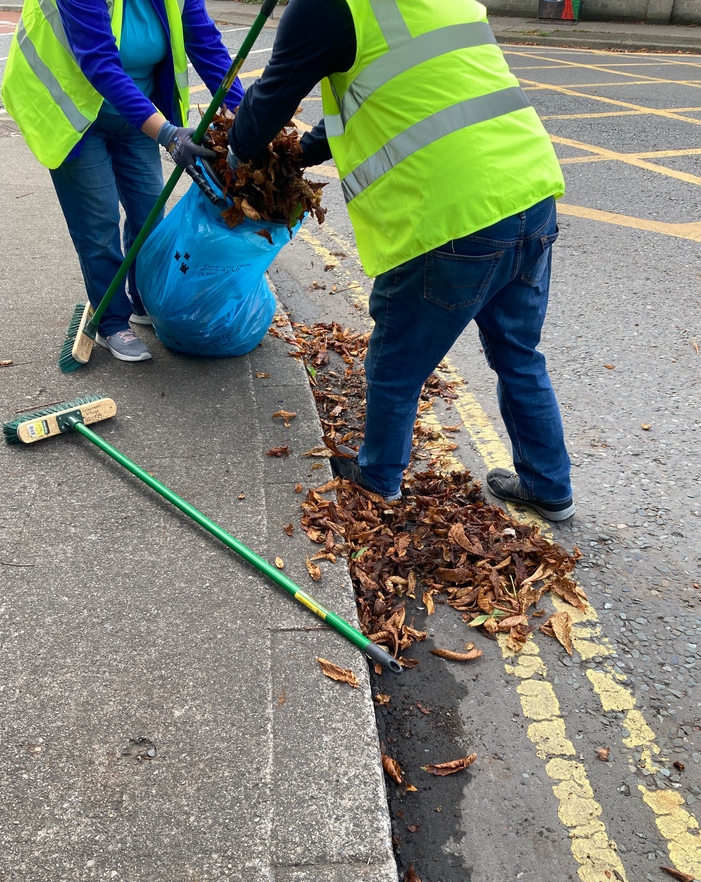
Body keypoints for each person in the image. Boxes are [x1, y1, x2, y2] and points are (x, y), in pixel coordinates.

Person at [227, 0, 574, 521]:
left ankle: (378, 479)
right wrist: (306, 150)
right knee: (518, 353)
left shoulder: (325, 8)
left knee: (395, 365)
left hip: (452, 216)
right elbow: (399, 94)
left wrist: (238, 152)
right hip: (529, 192)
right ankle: (549, 484)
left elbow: (266, 106)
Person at [2, 0, 243, 362]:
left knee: (149, 213)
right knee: (97, 222)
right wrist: (168, 134)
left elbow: (206, 44)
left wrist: (245, 114)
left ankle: (142, 297)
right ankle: (112, 322)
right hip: (71, 112)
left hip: (136, 114)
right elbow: (100, 63)